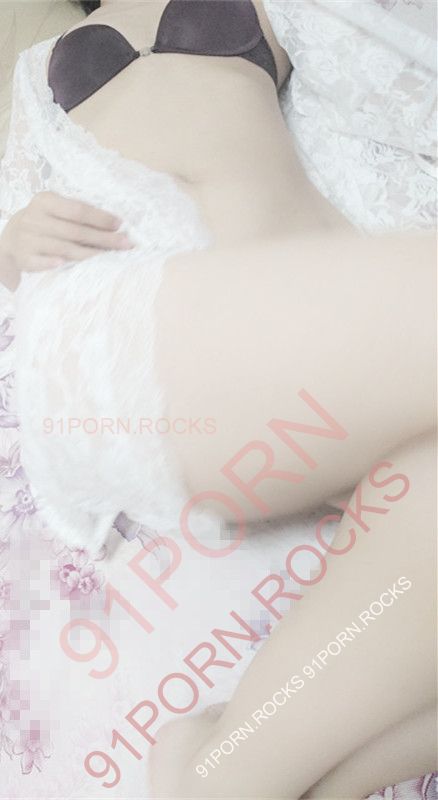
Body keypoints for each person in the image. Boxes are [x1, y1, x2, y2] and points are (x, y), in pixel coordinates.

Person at [0, 1, 435, 797]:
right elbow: (12, 236)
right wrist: (10, 240)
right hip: (130, 335)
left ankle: (221, 774)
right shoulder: (35, 71)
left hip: (305, 328)